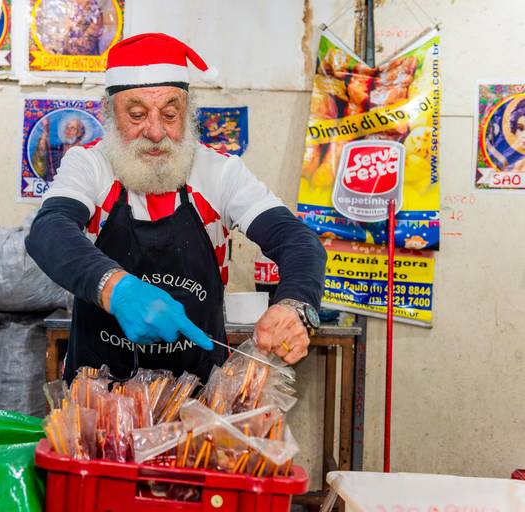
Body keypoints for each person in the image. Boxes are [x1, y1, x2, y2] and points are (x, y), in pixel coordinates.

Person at [26, 33, 326, 384]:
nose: (156, 132)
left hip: (199, 394)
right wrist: (115, 288)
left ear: (188, 113)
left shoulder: (220, 173)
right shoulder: (90, 165)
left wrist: (294, 305)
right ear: (109, 112)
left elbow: (297, 240)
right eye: (136, 115)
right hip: (97, 393)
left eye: (170, 114)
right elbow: (49, 230)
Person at [32, 115, 89, 182]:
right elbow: (41, 153)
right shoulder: (57, 149)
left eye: (73, 128)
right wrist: (45, 131)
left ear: (79, 133)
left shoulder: (84, 152)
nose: (68, 131)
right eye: (67, 128)